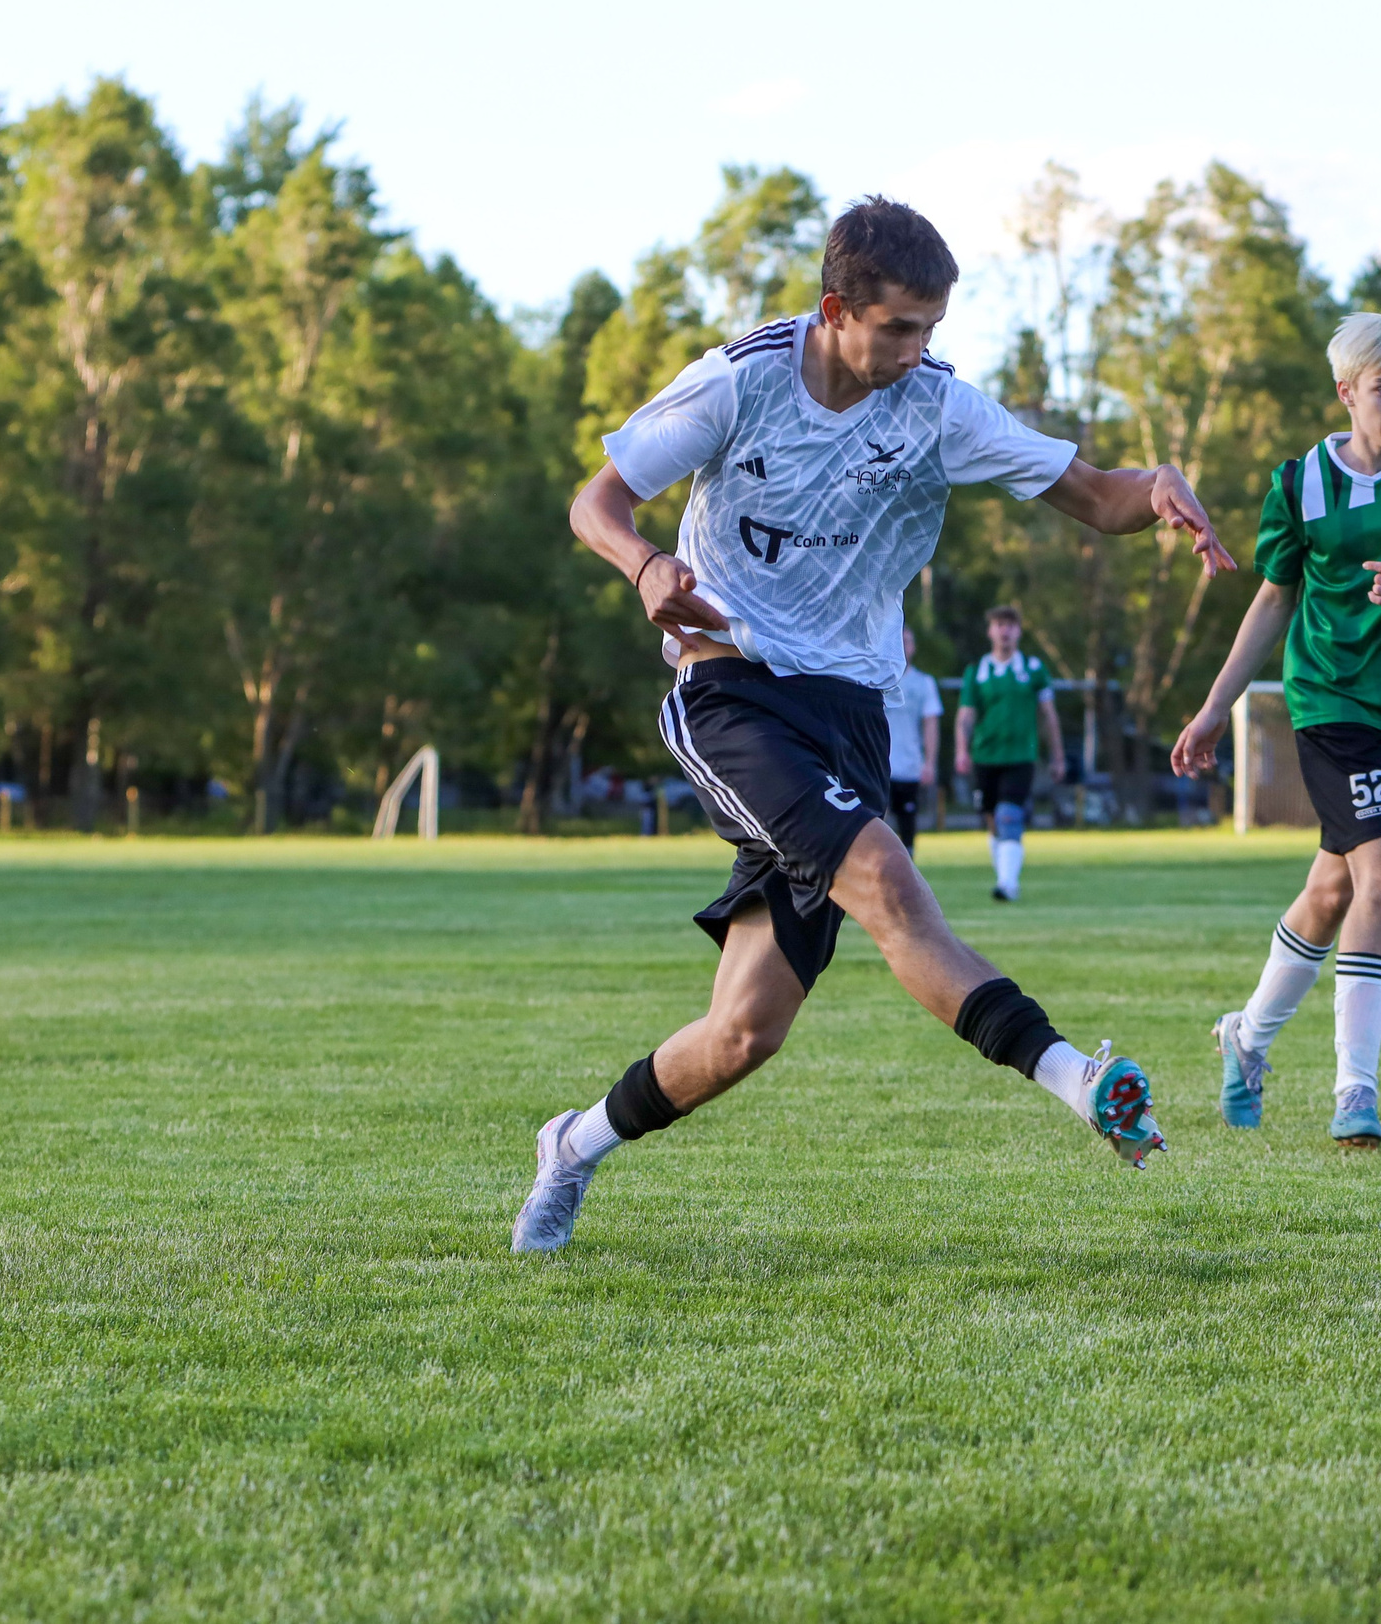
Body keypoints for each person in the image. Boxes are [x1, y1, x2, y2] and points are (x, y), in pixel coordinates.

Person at [513, 197, 1236, 1252]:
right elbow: (597, 502)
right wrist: (646, 564)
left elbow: (1093, 494)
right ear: (834, 309)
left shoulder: (936, 405)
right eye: (898, 328)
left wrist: (1156, 490)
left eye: (931, 329)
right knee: (888, 880)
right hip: (732, 692)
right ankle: (1077, 1079)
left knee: (742, 1033)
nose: (915, 351)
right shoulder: (741, 381)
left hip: (851, 714)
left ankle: (570, 1145)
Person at [1172, 313, 1381, 1149]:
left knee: (1333, 893)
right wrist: (1213, 708)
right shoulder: (1300, 484)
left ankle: (1245, 1037)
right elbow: (1273, 599)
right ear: (1346, 392)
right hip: (1329, 703)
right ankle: (1355, 1091)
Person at [954, 605, 1063, 901]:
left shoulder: (1033, 669)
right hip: (985, 757)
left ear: (1019, 631)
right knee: (992, 820)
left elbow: (1048, 714)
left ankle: (1007, 883)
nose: (1005, 631)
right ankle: (1004, 875)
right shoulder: (977, 671)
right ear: (990, 631)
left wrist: (1057, 756)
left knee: (1009, 816)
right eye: (999, 625)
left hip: (1021, 756)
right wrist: (961, 750)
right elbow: (966, 714)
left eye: (1011, 625)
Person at [885, 625, 942, 852]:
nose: (902, 645)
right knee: (876, 819)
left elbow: (930, 723)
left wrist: (929, 762)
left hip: (909, 765)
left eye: (907, 640)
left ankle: (907, 864)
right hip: (879, 764)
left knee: (907, 821)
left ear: (914, 647)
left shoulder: (924, 682)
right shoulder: (874, 677)